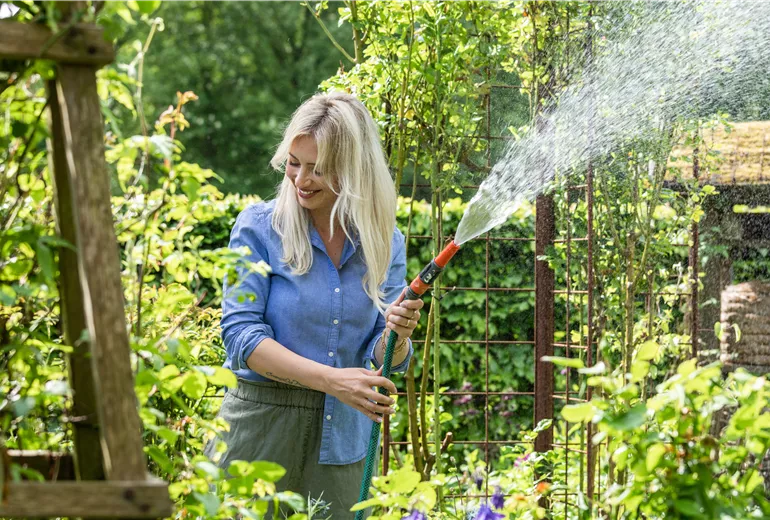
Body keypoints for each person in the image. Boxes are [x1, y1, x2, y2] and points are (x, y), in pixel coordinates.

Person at [204, 92, 423, 518]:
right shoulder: (259, 228)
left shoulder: (384, 243)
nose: (301, 179)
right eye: (294, 162)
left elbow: (382, 362)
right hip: (260, 433)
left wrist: (397, 335)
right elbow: (241, 339)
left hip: (342, 443)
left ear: (353, 170)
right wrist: (332, 381)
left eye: (319, 169)